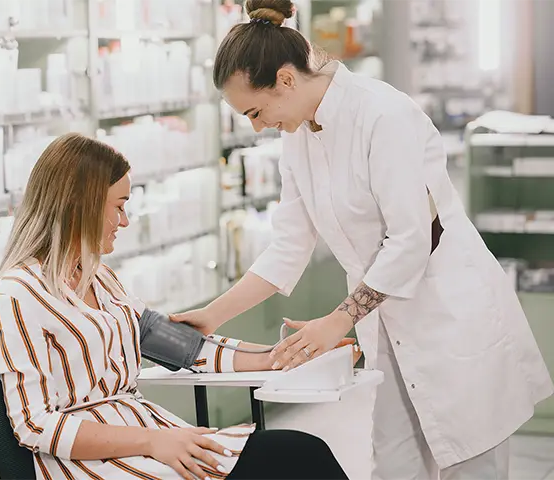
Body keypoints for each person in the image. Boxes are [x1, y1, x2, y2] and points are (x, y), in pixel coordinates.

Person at [170, 1, 554, 479]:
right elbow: (289, 245)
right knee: (394, 466)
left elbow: (412, 239)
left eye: (256, 110)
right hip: (387, 324)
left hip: (449, 317)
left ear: (286, 80)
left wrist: (337, 321)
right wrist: (211, 315)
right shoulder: (297, 138)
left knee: (471, 465)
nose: (256, 125)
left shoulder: (383, 114)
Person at [0, 132, 350, 480]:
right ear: (80, 205)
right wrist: (153, 441)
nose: (124, 221)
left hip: (153, 440)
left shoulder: (100, 278)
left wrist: (291, 354)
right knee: (295, 461)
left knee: (303, 453)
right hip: (94, 465)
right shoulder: (17, 295)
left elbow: (186, 347)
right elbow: (35, 425)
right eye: (119, 206)